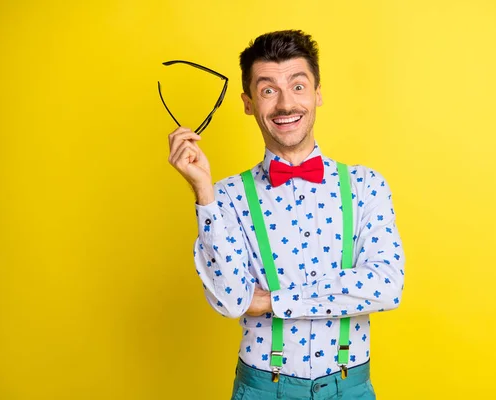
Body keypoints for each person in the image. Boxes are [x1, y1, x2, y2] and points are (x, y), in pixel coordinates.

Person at [167, 30, 405, 400]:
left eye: (297, 86)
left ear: (317, 93)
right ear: (248, 103)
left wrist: (274, 301)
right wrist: (203, 190)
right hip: (262, 387)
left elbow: (387, 286)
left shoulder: (366, 185)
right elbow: (232, 301)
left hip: (350, 386)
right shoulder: (226, 196)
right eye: (267, 90)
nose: (284, 104)